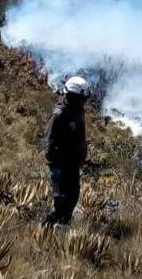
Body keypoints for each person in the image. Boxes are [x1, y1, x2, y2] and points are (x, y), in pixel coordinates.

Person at [43, 76, 89, 226]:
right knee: (61, 200)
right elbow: (49, 141)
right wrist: (55, 166)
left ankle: (62, 226)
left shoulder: (77, 111)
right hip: (61, 166)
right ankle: (48, 229)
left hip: (72, 165)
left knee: (72, 197)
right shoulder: (59, 114)